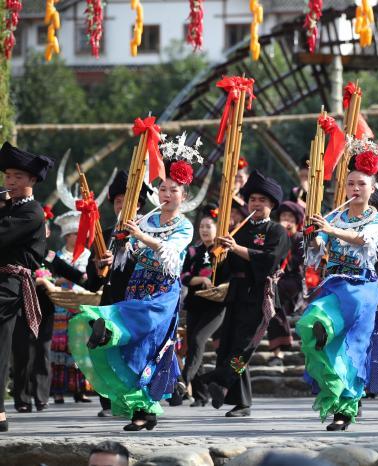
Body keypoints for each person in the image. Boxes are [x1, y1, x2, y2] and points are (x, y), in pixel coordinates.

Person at [68, 144, 197, 431]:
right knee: (135, 349)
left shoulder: (185, 226)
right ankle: (142, 408)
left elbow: (169, 252)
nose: (167, 194)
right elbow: (132, 255)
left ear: (184, 196)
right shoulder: (146, 219)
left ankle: (146, 406)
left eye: (174, 190)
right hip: (137, 287)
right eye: (163, 189)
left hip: (162, 293)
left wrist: (139, 235)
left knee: (151, 347)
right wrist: (122, 245)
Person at [297, 137, 378, 431]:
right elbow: (318, 247)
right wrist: (314, 237)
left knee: (353, 348)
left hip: (362, 290)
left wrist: (331, 229)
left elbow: (364, 240)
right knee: (313, 324)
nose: (356, 189)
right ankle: (334, 394)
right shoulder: (335, 215)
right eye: (351, 184)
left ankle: (345, 410)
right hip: (334, 286)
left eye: (362, 184)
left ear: (372, 189)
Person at [205, 170, 290, 418]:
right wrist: (218, 257)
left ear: (272, 205)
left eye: (262, 200)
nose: (256, 204)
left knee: (244, 347)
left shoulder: (277, 231)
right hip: (237, 294)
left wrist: (237, 248)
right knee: (229, 344)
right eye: (253, 199)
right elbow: (228, 269)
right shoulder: (238, 230)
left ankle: (217, 380)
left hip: (261, 296)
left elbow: (271, 261)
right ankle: (241, 402)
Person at [83, 170, 148, 417]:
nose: (122, 206)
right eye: (118, 201)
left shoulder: (147, 232)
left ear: (139, 205)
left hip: (135, 302)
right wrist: (100, 265)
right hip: (109, 302)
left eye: (127, 201)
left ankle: (135, 402)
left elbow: (150, 266)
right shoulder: (104, 233)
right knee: (104, 352)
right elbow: (93, 283)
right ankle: (108, 403)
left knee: (131, 354)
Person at [0, 141, 54, 432]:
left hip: (8, 285)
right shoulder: (9, 205)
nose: (10, 181)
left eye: (17, 177)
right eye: (7, 176)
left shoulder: (31, 212)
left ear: (32, 180)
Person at [180, 203, 229, 407]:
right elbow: (184, 276)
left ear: (217, 228)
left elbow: (231, 276)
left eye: (209, 226)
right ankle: (201, 396)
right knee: (192, 344)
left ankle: (183, 380)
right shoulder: (193, 251)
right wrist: (201, 280)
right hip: (195, 303)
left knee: (199, 339)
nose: (205, 230)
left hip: (217, 305)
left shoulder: (225, 250)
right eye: (202, 227)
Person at [12, 205, 56, 413]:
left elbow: (73, 273)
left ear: (47, 232)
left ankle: (41, 397)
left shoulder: (51, 256)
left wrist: (90, 281)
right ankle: (22, 398)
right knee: (22, 353)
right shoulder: (20, 252)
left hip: (45, 311)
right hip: (20, 308)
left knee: (43, 353)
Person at [49, 211, 93, 405]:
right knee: (59, 347)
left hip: (81, 305)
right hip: (60, 306)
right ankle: (57, 391)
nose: (76, 237)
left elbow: (89, 279)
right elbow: (51, 278)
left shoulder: (87, 255)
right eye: (73, 234)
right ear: (67, 236)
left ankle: (80, 390)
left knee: (80, 347)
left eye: (79, 233)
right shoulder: (58, 256)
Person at [268, 200, 305, 364]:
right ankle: (278, 350)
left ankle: (281, 345)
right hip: (276, 279)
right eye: (284, 216)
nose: (286, 220)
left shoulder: (299, 238)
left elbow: (296, 262)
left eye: (290, 217)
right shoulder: (275, 235)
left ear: (296, 221)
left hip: (292, 280)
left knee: (272, 297)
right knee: (273, 307)